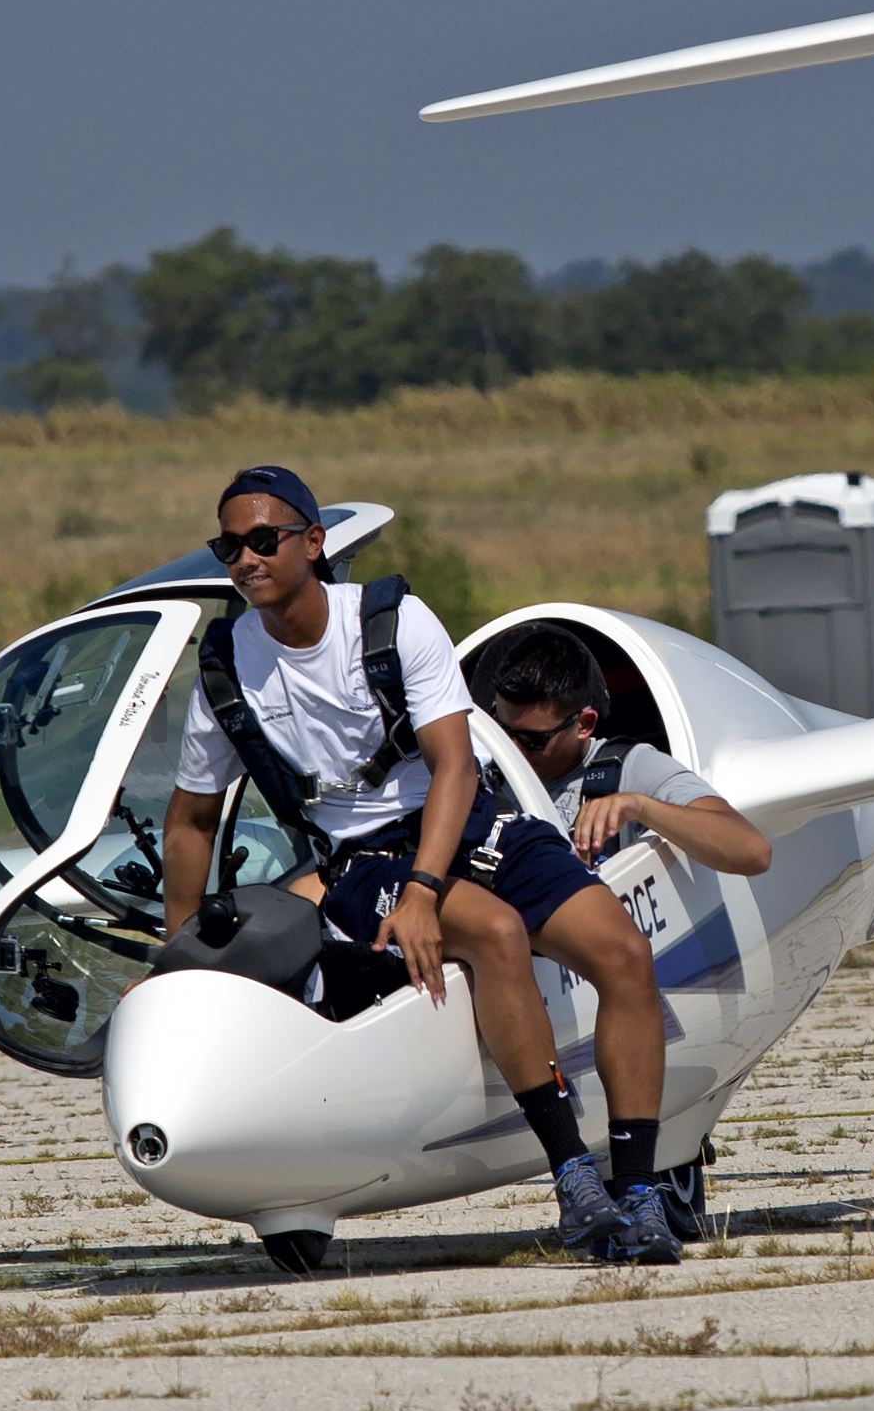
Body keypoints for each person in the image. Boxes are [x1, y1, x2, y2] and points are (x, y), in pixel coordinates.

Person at [150, 468, 667, 1263]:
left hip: (468, 820)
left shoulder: (391, 622)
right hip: (362, 860)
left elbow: (454, 765)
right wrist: (178, 963)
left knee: (624, 952)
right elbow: (189, 822)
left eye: (262, 540)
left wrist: (424, 891)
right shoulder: (226, 667)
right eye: (229, 546)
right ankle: (574, 1179)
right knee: (497, 932)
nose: (245, 559)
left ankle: (638, 1194)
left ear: (312, 543)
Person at [468, 619, 776, 1259]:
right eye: (501, 731)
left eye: (531, 740)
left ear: (584, 724)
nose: (513, 753)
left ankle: (640, 1186)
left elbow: (749, 850)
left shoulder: (626, 766)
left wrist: (640, 807)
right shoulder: (479, 773)